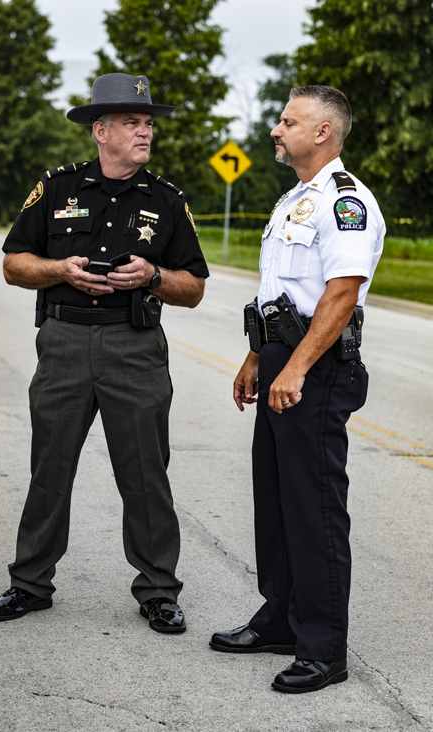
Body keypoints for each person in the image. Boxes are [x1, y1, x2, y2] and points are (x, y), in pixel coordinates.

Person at [0, 73, 209, 633]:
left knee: (145, 473)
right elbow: (14, 264)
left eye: (148, 123)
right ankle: (30, 584)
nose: (144, 132)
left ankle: (157, 590)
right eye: (133, 123)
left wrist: (152, 276)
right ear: (100, 131)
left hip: (134, 347)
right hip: (62, 343)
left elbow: (195, 288)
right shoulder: (56, 189)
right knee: (49, 468)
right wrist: (60, 270)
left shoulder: (167, 200)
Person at [210, 86, 385, 692]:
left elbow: (339, 296)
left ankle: (323, 647)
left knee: (313, 511)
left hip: (318, 364)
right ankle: (281, 618)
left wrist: (297, 368)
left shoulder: (346, 203)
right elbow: (278, 293)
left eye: (288, 121)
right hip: (285, 356)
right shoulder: (294, 200)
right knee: (277, 502)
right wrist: (258, 357)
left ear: (323, 133)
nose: (275, 130)